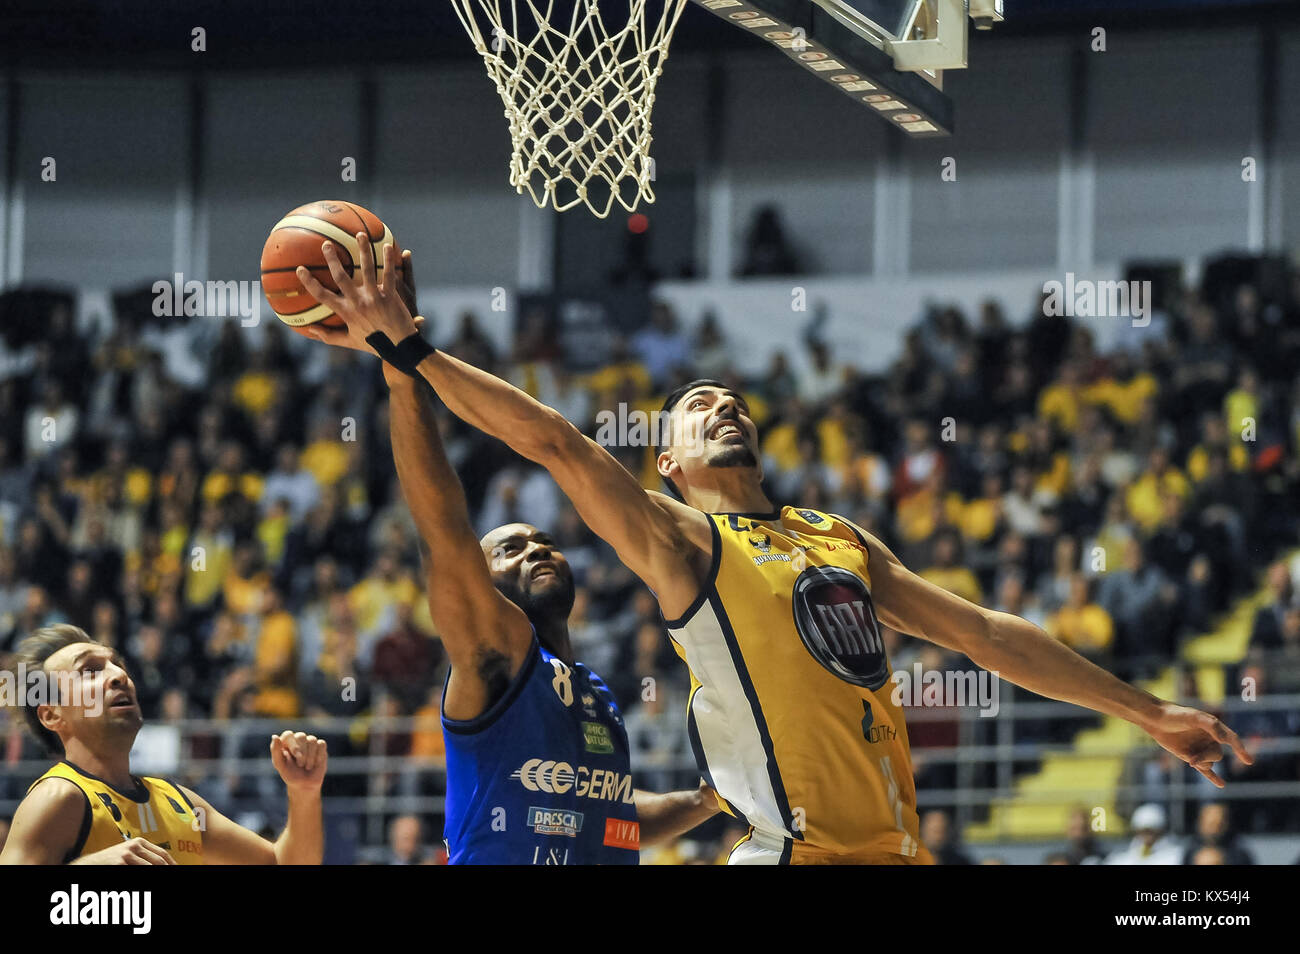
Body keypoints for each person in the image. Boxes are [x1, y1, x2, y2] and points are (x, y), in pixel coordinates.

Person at [298, 233, 1253, 866]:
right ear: (668, 463)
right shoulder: (681, 539)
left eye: (734, 400)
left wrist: (1148, 711)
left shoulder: (838, 539)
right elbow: (554, 443)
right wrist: (409, 352)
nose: (723, 404)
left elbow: (990, 635)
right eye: (696, 405)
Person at [308, 244, 716, 863]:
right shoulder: (495, 652)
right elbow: (443, 532)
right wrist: (400, 377)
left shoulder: (594, 691)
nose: (537, 550)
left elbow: (611, 819)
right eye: (512, 549)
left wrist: (707, 801)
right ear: (484, 582)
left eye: (546, 542)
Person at [0, 625, 327, 864]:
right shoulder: (59, 798)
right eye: (90, 670)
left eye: (118, 664)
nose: (118, 675)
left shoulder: (179, 803)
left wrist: (304, 792)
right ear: (52, 715)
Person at [1103, 803, 1183, 865]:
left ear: (1161, 830)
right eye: (1143, 830)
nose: (1147, 835)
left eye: (1151, 830)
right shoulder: (1121, 857)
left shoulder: (1176, 854)